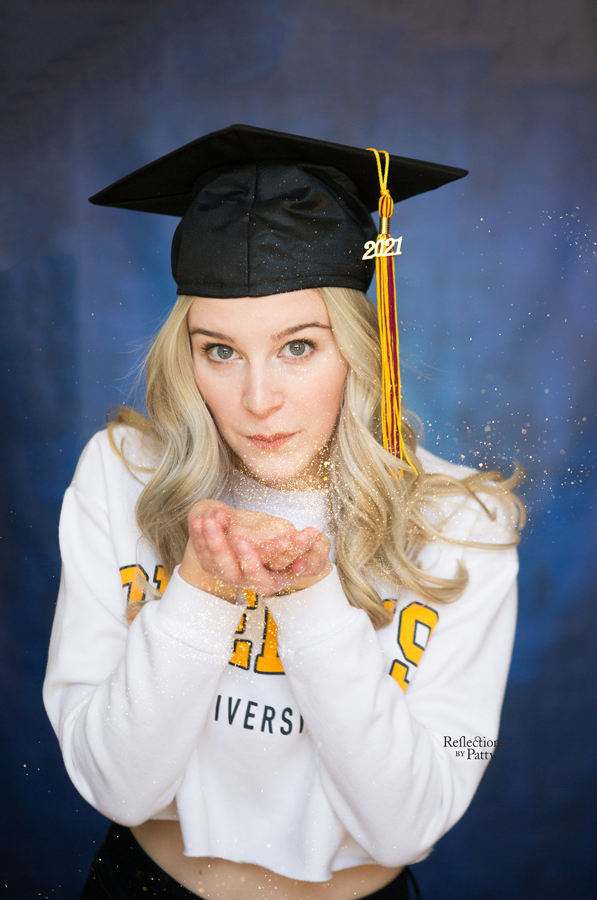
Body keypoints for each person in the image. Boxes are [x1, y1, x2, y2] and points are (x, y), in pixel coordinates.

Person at [43, 125, 523, 900]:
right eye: (220, 351)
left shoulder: (464, 525)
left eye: (298, 346)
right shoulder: (122, 477)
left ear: (359, 348)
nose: (258, 400)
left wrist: (309, 602)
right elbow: (116, 789)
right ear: (186, 353)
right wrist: (197, 595)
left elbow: (410, 826)